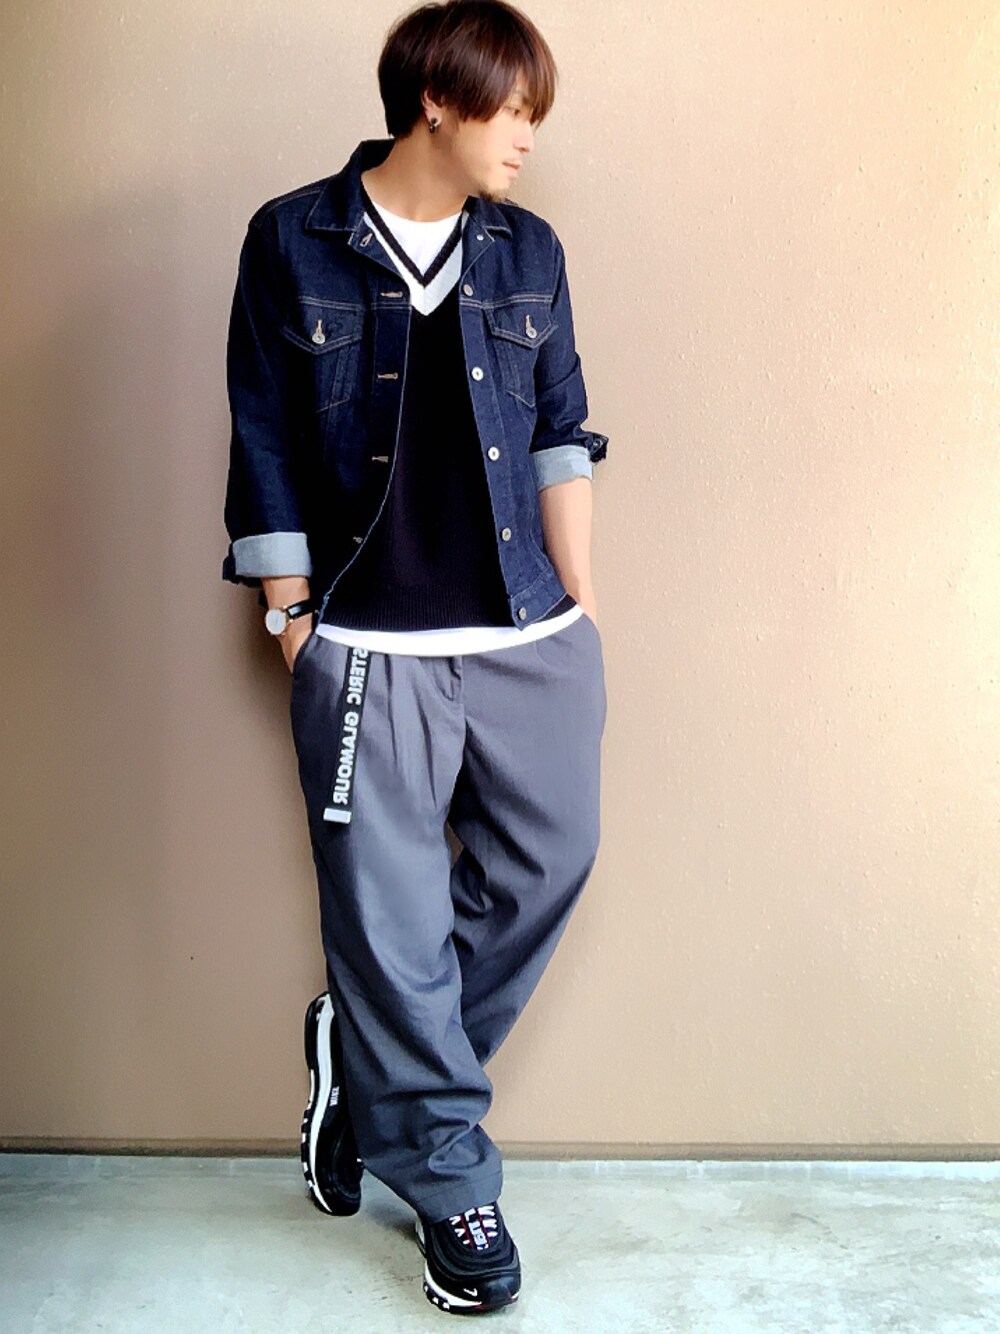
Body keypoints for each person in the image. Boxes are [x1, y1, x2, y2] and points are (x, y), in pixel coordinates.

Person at [221, 0, 608, 1314]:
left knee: (549, 861)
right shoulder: (293, 238)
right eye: (515, 108)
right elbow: (263, 430)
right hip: (365, 642)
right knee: (386, 916)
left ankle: (370, 1063)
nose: (530, 137)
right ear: (436, 99)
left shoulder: (529, 250)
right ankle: (449, 1180)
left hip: (528, 632)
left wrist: (584, 608)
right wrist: (290, 617)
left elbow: (561, 429)